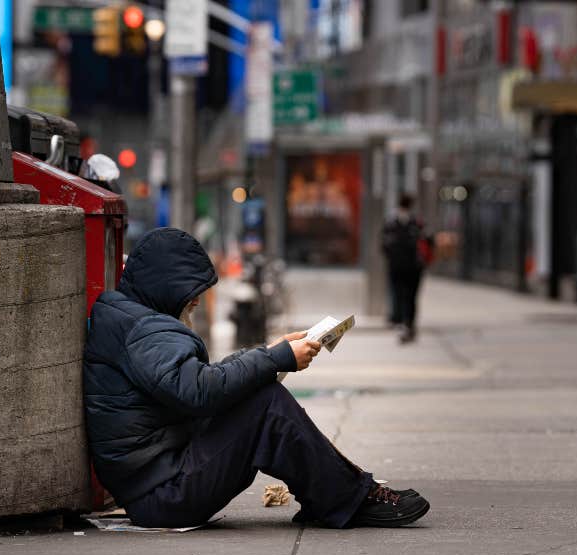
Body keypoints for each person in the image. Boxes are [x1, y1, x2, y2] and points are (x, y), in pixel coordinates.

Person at [83, 227, 429, 529]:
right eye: (191, 294)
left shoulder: (131, 320)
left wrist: (271, 352)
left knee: (258, 394)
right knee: (266, 404)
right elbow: (198, 391)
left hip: (159, 482)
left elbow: (198, 382)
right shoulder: (142, 329)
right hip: (163, 494)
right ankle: (347, 498)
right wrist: (274, 358)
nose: (197, 302)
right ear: (167, 286)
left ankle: (332, 494)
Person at [381, 194, 431, 344]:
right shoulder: (417, 223)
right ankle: (407, 323)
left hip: (399, 266)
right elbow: (429, 241)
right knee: (410, 297)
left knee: (398, 293)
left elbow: (384, 244)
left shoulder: (392, 222)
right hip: (412, 267)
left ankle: (400, 321)